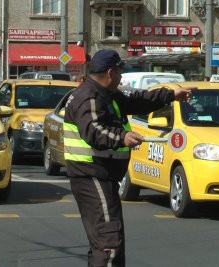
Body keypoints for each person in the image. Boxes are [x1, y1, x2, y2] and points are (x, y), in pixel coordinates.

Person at [63, 49, 195, 267]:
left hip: (102, 176)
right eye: (119, 71)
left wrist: (172, 95)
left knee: (108, 242)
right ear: (110, 73)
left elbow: (137, 100)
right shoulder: (88, 98)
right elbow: (94, 131)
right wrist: (122, 137)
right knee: (109, 243)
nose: (122, 76)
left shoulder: (106, 94)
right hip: (91, 176)